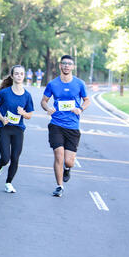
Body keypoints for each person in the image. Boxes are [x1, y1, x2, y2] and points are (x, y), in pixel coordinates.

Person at [40, 55, 90, 197]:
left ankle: (67, 169)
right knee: (58, 155)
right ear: (60, 66)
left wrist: (80, 109)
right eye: (64, 63)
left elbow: (87, 100)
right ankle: (59, 186)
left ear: (73, 67)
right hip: (56, 124)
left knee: (69, 161)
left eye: (69, 64)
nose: (66, 66)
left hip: (73, 126)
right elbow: (43, 101)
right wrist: (47, 108)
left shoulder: (79, 84)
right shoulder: (53, 84)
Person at [0, 65, 34, 193]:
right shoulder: (5, 93)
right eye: (17, 74)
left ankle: (8, 183)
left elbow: (30, 115)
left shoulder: (27, 96)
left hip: (18, 129)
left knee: (15, 157)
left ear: (24, 76)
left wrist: (23, 113)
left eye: (21, 74)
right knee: (5, 158)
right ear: (12, 76)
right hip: (4, 128)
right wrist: (2, 119)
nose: (19, 76)